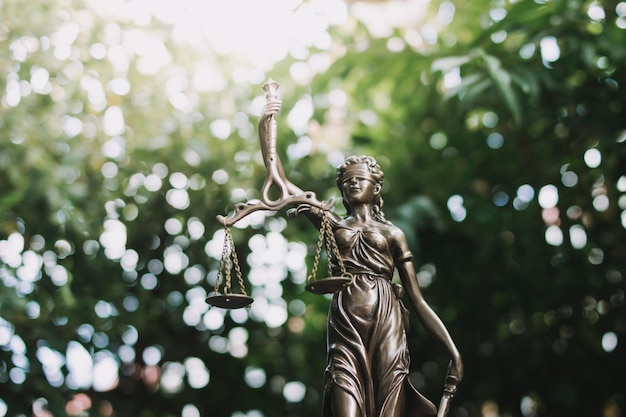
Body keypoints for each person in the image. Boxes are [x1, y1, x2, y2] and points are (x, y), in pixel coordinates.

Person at [259, 102, 463, 417]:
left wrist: (453, 351)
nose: (353, 183)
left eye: (360, 179)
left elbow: (417, 300)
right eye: (347, 181)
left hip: (387, 320)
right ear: (340, 190)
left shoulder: (393, 233)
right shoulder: (332, 222)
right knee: (343, 391)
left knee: (388, 400)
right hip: (345, 319)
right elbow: (279, 179)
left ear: (376, 187)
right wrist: (267, 127)